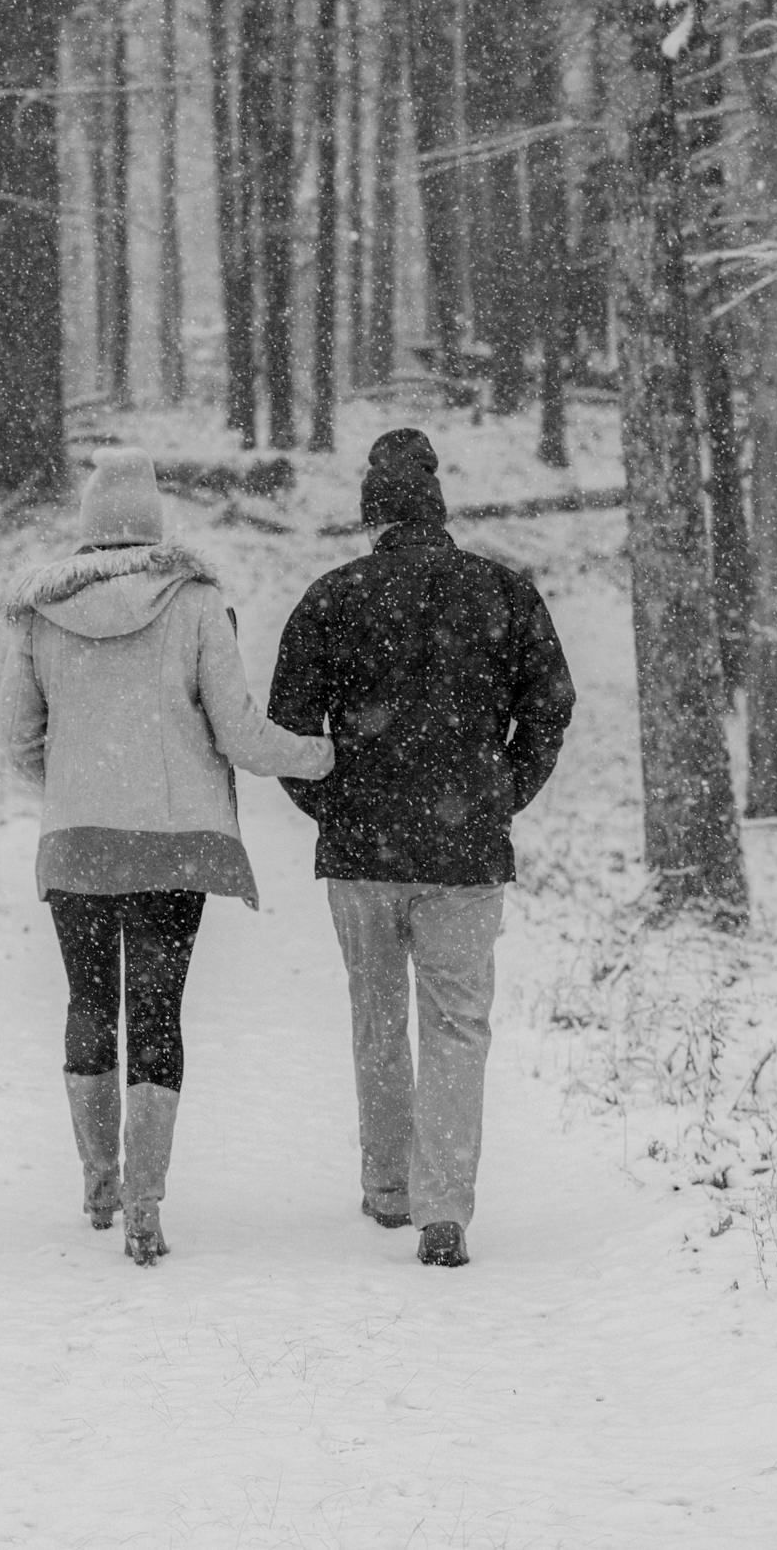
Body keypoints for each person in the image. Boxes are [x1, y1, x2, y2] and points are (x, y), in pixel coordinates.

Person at [0, 447, 334, 1267]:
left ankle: (98, 1184)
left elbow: (15, 737)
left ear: (87, 525)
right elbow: (241, 734)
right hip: (173, 848)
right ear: (153, 522)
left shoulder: (40, 612)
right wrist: (324, 756)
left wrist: (72, 786)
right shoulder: (195, 602)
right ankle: (146, 1202)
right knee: (155, 1012)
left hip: (77, 840)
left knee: (88, 1001)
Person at [268, 428, 576, 1269]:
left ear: (373, 518)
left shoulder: (332, 599)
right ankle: (444, 1207)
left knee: (377, 1019)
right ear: (440, 511)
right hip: (465, 850)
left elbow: (289, 733)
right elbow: (551, 704)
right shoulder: (503, 594)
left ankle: (389, 1187)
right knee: (457, 1025)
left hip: (363, 852)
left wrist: (332, 804)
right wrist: (503, 791)